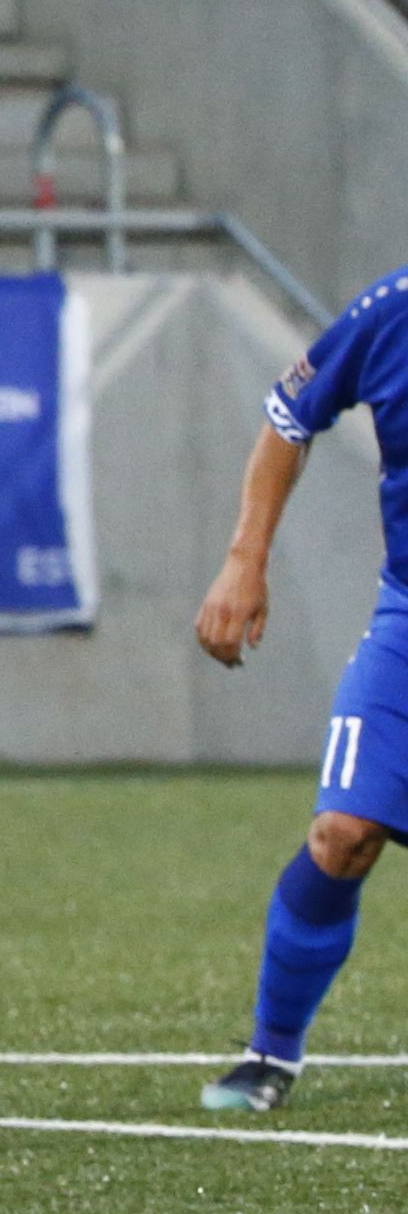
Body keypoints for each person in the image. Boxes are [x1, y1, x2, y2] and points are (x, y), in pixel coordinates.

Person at [195, 263, 408, 1112]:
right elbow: (289, 417)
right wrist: (245, 560)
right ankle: (270, 1056)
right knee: (343, 834)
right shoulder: (390, 313)